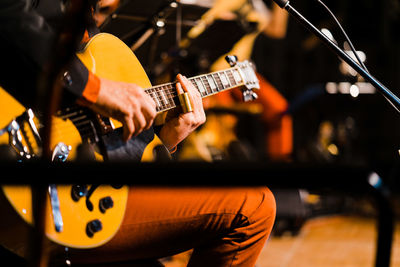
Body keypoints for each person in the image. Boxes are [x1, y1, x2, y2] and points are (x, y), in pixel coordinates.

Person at [0, 0, 276, 266]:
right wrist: (96, 90)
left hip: (80, 198)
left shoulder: (92, 33)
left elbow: (93, 130)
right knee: (253, 205)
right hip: (21, 153)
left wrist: (165, 138)